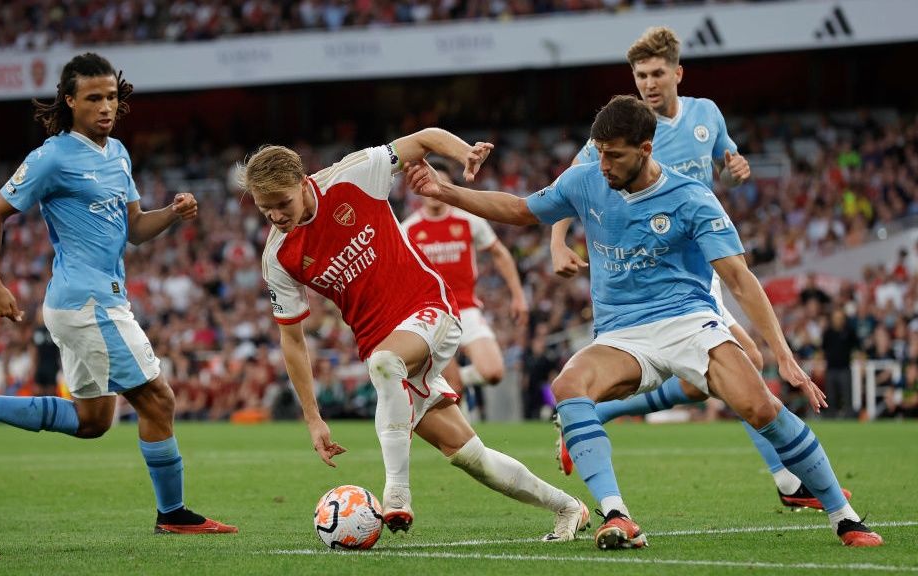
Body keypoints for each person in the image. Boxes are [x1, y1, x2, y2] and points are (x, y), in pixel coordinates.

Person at [403, 95, 882, 549]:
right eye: (600, 154)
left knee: (760, 407)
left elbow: (738, 278)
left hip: (689, 323)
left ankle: (843, 515)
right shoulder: (586, 179)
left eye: (613, 156)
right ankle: (616, 515)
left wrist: (785, 355)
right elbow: (520, 209)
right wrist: (445, 190)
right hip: (621, 334)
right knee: (569, 385)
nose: (602, 164)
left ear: (645, 149)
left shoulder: (691, 197)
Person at [0, 52, 236, 535]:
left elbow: (134, 228)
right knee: (159, 399)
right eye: (93, 98)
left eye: (111, 96)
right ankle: (172, 515)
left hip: (92, 301)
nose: (105, 107)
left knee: (93, 421)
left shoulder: (118, 154)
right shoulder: (53, 155)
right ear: (70, 101)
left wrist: (172, 212)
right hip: (88, 301)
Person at [547, 26, 850, 511]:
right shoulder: (629, 134)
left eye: (656, 73)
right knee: (741, 364)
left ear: (677, 73)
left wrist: (735, 161)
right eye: (639, 74)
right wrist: (558, 241)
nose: (647, 83)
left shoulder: (706, 113)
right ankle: (788, 480)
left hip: (700, 261)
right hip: (658, 271)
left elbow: (723, 148)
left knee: (703, 380)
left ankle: (591, 415)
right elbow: (571, 188)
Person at [241, 131, 588, 541]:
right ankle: (569, 508)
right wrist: (313, 418)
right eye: (267, 212)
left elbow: (424, 139)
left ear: (303, 183)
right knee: (471, 457)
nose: (277, 217)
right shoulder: (279, 257)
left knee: (384, 363)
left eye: (283, 204)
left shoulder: (352, 176)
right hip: (385, 348)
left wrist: (464, 153)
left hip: (430, 309)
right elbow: (292, 341)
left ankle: (397, 495)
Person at [401, 160, 528, 414]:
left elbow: (500, 253)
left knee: (493, 372)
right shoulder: (409, 229)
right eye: (428, 181)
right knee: (453, 391)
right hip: (433, 315)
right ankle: (461, 440)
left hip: (467, 309)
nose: (433, 187)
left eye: (440, 181)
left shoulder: (468, 221)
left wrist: (518, 295)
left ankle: (452, 380)